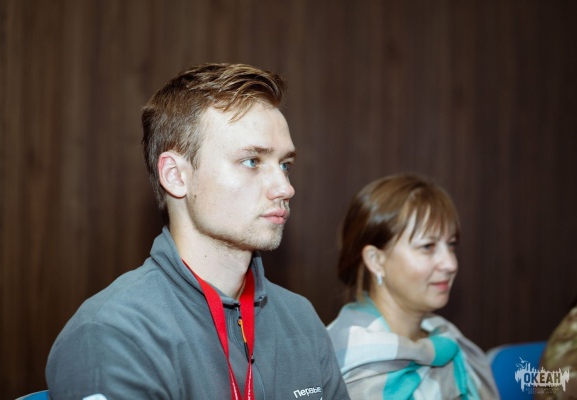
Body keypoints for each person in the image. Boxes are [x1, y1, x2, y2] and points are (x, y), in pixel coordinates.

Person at [46, 63, 349, 399]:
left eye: (285, 165)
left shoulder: (301, 319)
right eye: (252, 161)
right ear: (176, 176)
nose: (285, 188)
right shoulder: (113, 334)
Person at [327, 173, 498, 399]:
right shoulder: (348, 357)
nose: (450, 264)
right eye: (427, 246)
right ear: (376, 260)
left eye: (451, 245)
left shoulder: (446, 337)